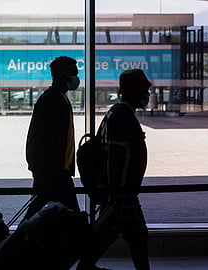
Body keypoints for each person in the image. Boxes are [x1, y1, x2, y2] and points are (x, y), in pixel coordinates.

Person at [77, 69, 152, 270]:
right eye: (144, 90)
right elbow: (116, 157)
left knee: (137, 238)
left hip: (123, 193)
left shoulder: (117, 112)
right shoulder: (122, 116)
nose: (148, 95)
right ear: (132, 91)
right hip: (121, 193)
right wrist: (115, 192)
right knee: (105, 238)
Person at [22, 56, 80, 220]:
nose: (77, 78)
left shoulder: (57, 97)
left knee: (35, 213)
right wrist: (52, 171)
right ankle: (14, 243)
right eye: (74, 73)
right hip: (53, 174)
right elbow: (44, 141)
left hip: (54, 172)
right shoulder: (53, 100)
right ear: (62, 75)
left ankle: (17, 242)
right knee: (71, 217)